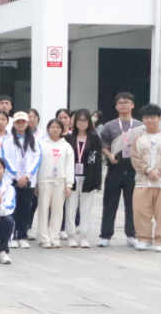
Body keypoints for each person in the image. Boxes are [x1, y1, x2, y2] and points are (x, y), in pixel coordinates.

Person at [99, 92, 143, 247]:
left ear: (133, 105)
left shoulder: (140, 126)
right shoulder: (109, 126)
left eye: (127, 102)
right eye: (120, 102)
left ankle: (132, 235)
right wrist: (109, 156)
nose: (123, 104)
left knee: (133, 204)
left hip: (133, 169)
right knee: (110, 203)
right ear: (116, 106)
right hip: (115, 168)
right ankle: (105, 236)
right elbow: (103, 145)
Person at [129, 104, 161, 252]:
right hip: (143, 181)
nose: (149, 120)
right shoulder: (137, 139)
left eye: (153, 117)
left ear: (159, 118)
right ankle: (144, 239)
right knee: (141, 212)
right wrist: (148, 170)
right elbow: (135, 158)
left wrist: (160, 171)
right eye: (146, 117)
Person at [65, 109, 102, 248]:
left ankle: (84, 236)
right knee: (71, 207)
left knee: (86, 208)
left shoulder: (94, 138)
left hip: (88, 176)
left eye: (84, 120)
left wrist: (96, 181)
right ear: (74, 122)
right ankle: (71, 235)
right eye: (79, 120)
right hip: (71, 177)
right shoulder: (69, 139)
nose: (81, 123)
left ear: (89, 122)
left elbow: (98, 161)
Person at [35, 119, 74, 248]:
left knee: (58, 211)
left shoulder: (66, 146)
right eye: (52, 127)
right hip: (44, 180)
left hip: (60, 181)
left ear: (62, 129)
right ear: (48, 129)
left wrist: (69, 185)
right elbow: (37, 164)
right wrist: (36, 183)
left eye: (58, 127)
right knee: (43, 209)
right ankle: (44, 238)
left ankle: (54, 237)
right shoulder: (41, 144)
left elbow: (69, 166)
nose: (55, 129)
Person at [6, 112, 40, 248]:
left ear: (27, 123)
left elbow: (37, 159)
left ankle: (22, 236)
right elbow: (6, 160)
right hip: (12, 180)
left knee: (25, 210)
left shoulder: (34, 140)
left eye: (23, 122)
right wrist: (17, 176)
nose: (20, 124)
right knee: (12, 210)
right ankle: (12, 236)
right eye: (18, 122)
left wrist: (28, 176)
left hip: (28, 180)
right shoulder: (8, 140)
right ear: (14, 124)